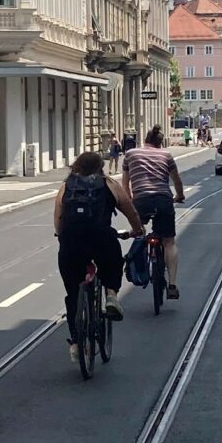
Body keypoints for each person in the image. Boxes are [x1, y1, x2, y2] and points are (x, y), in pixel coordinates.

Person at [54, 149, 143, 349]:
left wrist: (62, 237)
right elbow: (129, 209)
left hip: (71, 242)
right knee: (112, 260)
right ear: (100, 167)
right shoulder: (108, 184)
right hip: (101, 237)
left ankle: (76, 343)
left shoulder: (67, 186)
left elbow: (58, 218)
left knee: (73, 293)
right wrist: (137, 230)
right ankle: (111, 295)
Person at [122, 123, 185, 302]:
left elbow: (125, 184)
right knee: (169, 242)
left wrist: (129, 203)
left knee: (138, 233)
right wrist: (179, 196)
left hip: (140, 201)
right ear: (160, 142)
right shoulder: (167, 155)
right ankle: (172, 285)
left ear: (145, 140)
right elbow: (177, 180)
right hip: (163, 200)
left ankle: (138, 266)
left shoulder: (131, 154)